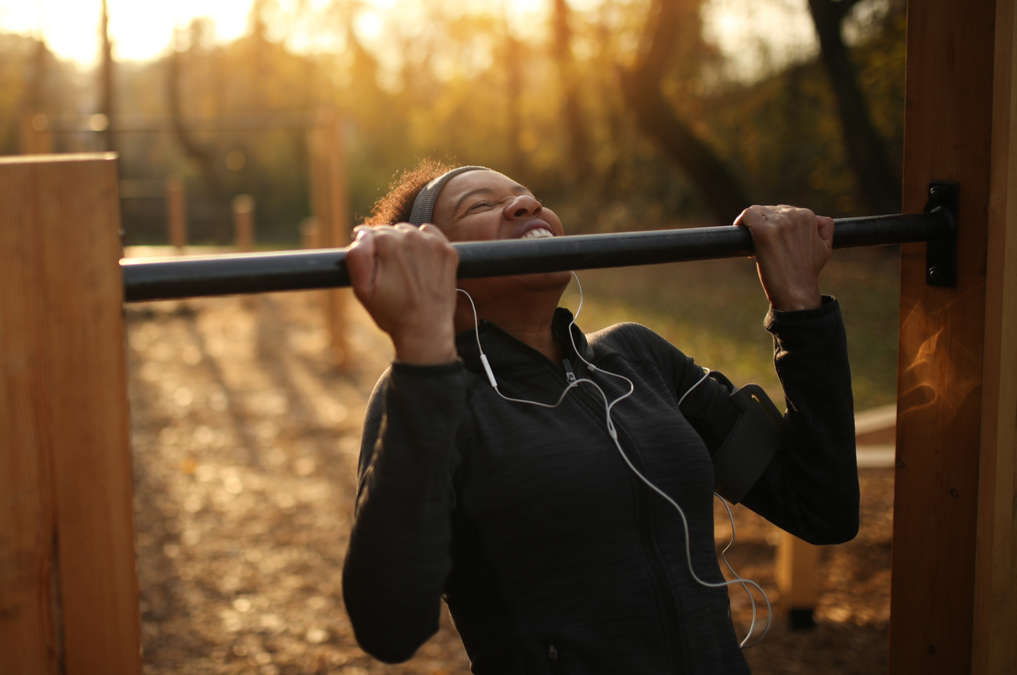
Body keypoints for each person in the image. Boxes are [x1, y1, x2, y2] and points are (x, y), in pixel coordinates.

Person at [340, 161, 859, 674]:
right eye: (479, 205)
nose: (526, 205)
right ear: (432, 262)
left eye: (528, 196)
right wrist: (423, 357)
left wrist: (800, 311)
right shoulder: (427, 391)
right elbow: (391, 628)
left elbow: (818, 504)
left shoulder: (639, 357)